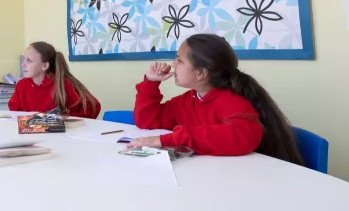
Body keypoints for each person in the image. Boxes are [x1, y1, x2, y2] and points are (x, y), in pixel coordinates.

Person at [129, 33, 304, 164]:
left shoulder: (233, 102)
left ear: (201, 73)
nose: (173, 64)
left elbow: (243, 136)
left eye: (179, 60)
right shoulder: (186, 101)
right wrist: (150, 83)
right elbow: (147, 121)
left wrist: (169, 140)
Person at [8, 41, 101, 118]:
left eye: (29, 60)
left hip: (61, 137)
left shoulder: (63, 83)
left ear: (44, 66)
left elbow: (93, 106)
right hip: (31, 134)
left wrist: (68, 119)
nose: (22, 64)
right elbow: (15, 112)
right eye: (24, 59)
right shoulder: (21, 85)